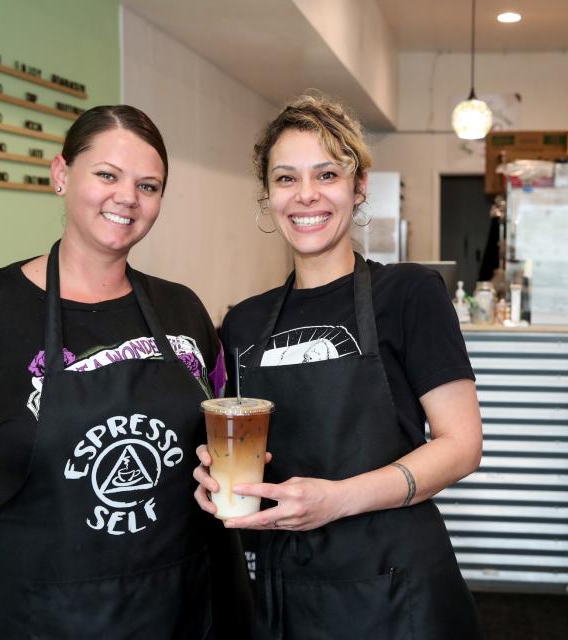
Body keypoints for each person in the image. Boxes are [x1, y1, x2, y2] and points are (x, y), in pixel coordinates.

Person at [0, 105, 250, 638]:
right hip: (48, 614)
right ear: (62, 175)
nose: (127, 198)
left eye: (149, 185)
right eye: (107, 175)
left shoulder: (184, 311)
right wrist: (3, 563)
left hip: (186, 606)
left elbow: (224, 435)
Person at [195, 94, 484, 639]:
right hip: (287, 590)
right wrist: (214, 475)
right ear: (267, 194)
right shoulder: (242, 324)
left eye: (326, 174)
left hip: (397, 585)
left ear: (359, 185)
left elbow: (462, 445)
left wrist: (334, 500)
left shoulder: (410, 294)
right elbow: (239, 447)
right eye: (285, 178)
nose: (306, 195)